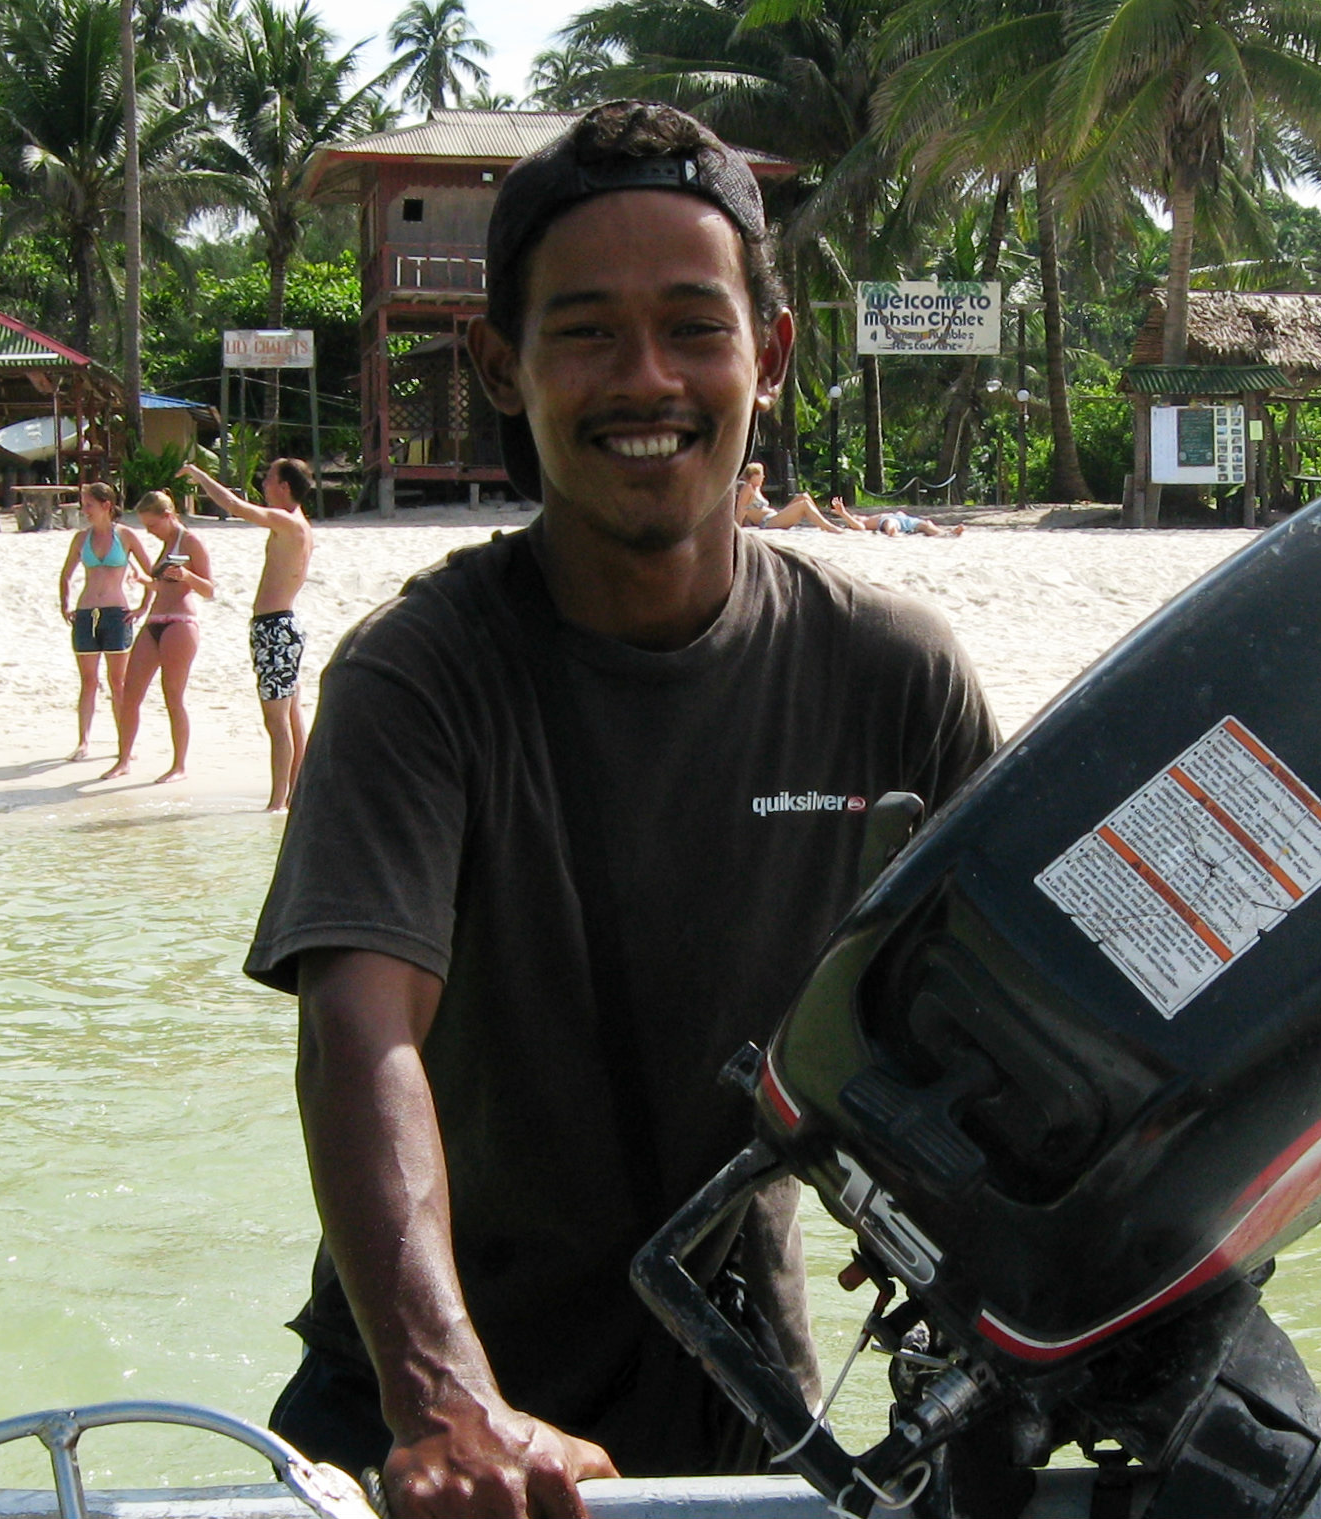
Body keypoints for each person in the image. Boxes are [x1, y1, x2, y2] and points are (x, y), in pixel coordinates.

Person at [244, 101, 996, 1511]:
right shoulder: (419, 677)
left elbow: (1015, 1032)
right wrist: (441, 1396)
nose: (644, 379)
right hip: (422, 1435)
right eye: (584, 330)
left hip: (752, 1418)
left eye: (692, 327)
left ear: (767, 358)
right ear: (500, 364)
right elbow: (360, 1035)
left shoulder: (891, 675)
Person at [181, 455, 317, 811]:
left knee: (276, 719)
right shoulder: (298, 525)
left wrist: (199, 474)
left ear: (285, 487)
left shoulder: (287, 522)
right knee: (289, 714)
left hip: (276, 629)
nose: (264, 484)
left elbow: (233, 506)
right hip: (280, 626)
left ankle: (278, 802)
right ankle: (294, 794)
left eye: (269, 479)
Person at [101, 490, 214, 783]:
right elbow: (162, 586)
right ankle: (123, 759)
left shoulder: (190, 542)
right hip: (154, 620)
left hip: (180, 622)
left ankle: (179, 765)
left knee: (172, 695)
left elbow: (210, 589)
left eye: (152, 525)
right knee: (129, 693)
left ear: (168, 516)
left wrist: (188, 576)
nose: (149, 532)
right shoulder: (166, 545)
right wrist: (143, 582)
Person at [57, 481, 143, 761]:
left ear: (107, 506)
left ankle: (124, 745)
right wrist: (65, 603)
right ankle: (83, 741)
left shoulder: (126, 536)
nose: (85, 511)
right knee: (88, 681)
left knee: (118, 682)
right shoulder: (81, 539)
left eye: (89, 505)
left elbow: (154, 571)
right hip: (85, 613)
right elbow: (66, 574)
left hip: (117, 614)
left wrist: (144, 605)